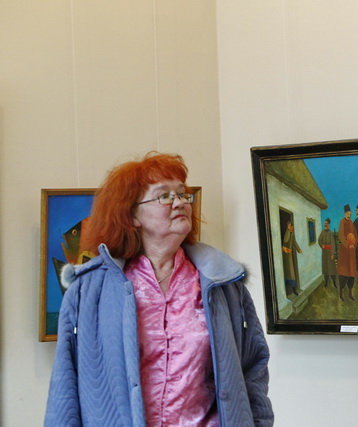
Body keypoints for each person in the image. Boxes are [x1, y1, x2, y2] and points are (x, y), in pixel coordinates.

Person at [45, 152, 273, 426]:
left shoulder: (222, 282)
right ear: (132, 215)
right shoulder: (89, 290)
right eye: (164, 196)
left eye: (182, 194)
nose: (179, 202)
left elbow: (253, 367)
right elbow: (65, 383)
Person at [337, 204, 357, 301]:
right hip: (344, 252)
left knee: (351, 274)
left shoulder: (352, 223)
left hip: (351, 252)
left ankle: (350, 293)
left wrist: (354, 244)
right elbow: (341, 236)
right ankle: (341, 293)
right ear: (345, 213)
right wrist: (347, 245)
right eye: (347, 213)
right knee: (344, 273)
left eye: (350, 214)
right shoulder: (342, 222)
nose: (349, 215)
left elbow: (355, 236)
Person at [282, 221, 302, 296]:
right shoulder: (287, 233)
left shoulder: (291, 234)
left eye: (292, 227)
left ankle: (293, 289)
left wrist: (298, 249)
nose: (292, 228)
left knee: (291, 273)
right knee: (288, 273)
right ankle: (290, 289)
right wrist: (288, 230)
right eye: (291, 227)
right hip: (285, 256)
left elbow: (294, 242)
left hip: (289, 255)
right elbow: (285, 240)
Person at [317, 218, 337, 288]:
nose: (325, 225)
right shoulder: (322, 233)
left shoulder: (331, 233)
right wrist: (321, 245)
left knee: (332, 269)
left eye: (327, 224)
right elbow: (319, 240)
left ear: (329, 225)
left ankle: (334, 282)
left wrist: (332, 254)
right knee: (325, 269)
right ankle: (326, 281)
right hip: (325, 253)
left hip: (330, 253)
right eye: (325, 223)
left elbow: (333, 244)